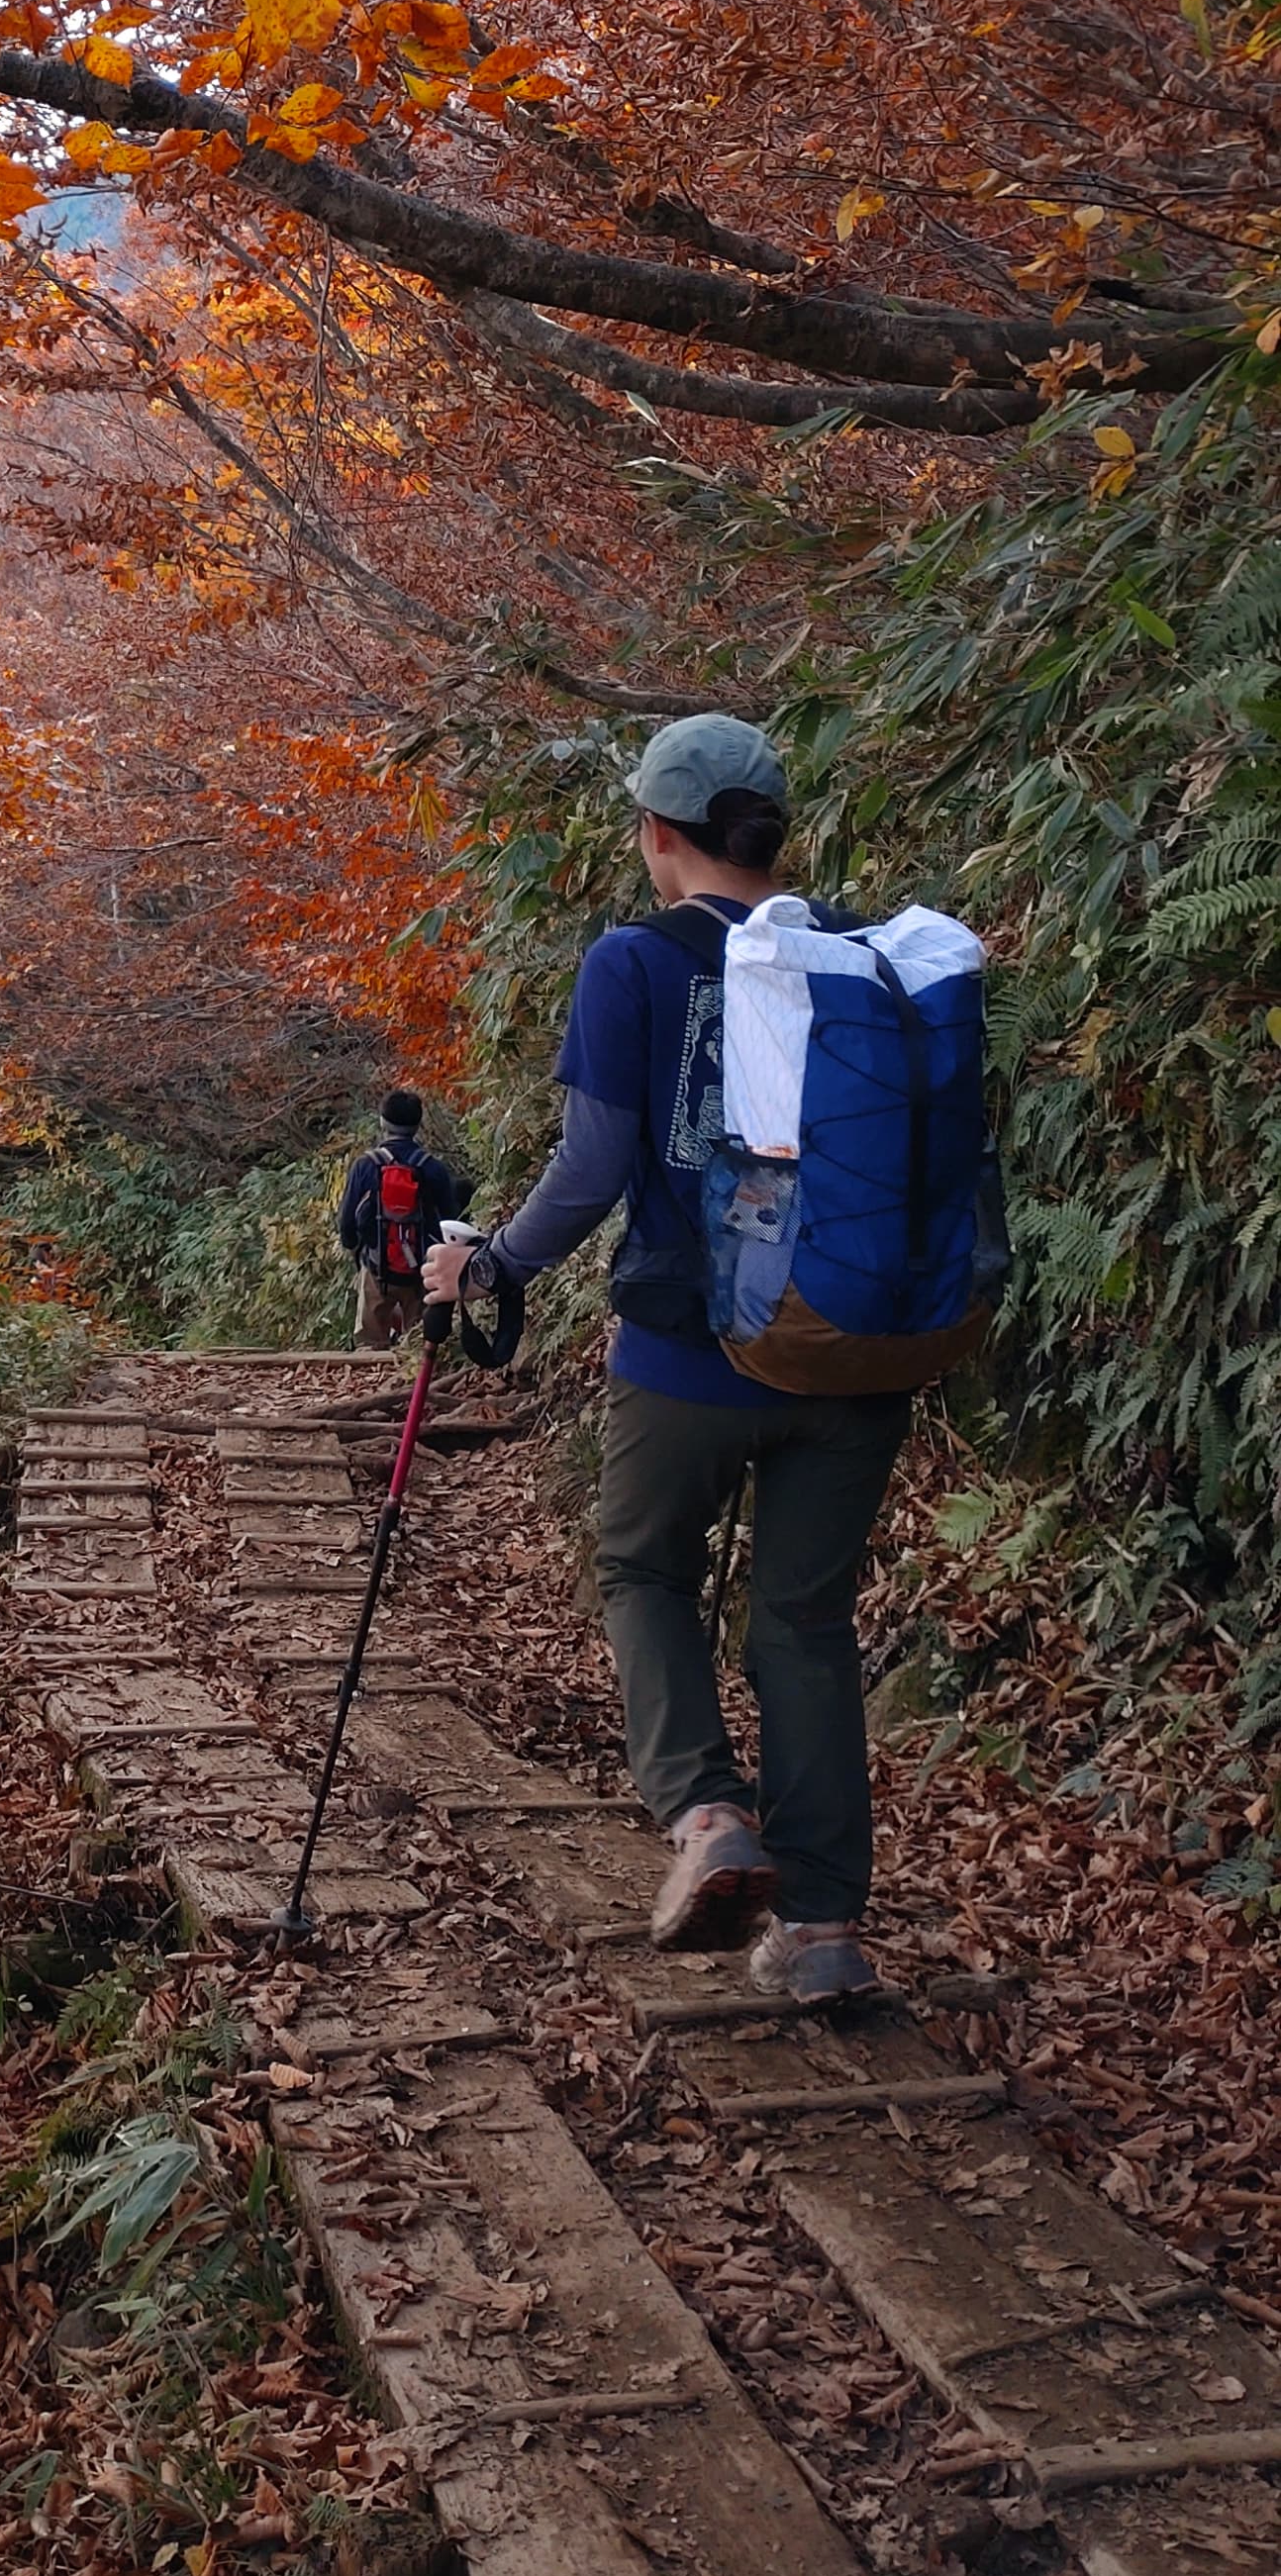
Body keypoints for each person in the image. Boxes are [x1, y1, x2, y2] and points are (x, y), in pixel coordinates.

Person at [421, 716, 908, 2006]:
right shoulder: (864, 953)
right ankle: (819, 1934)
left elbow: (589, 1171)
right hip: (855, 1351)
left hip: (690, 1352)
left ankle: (702, 1815)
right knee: (805, 1626)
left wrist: (493, 1265)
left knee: (643, 1570)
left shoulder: (635, 963)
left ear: (658, 835)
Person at [338, 1092, 474, 1352]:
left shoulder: (365, 1165)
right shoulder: (432, 1167)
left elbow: (346, 1223)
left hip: (376, 1266)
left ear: (382, 1122)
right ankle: (410, 1387)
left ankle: (368, 1383)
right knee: (419, 1345)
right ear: (417, 1126)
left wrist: (357, 1251)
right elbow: (451, 1220)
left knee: (368, 1344)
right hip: (422, 1271)